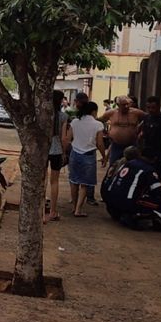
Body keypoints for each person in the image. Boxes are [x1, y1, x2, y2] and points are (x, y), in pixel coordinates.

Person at [102, 146, 161, 229]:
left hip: (110, 200)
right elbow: (158, 190)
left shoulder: (126, 164)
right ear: (154, 159)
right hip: (127, 203)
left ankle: (122, 213)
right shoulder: (148, 170)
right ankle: (135, 217)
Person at [65, 101, 106, 217]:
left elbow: (68, 139)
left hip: (75, 153)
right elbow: (100, 143)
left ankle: (74, 207)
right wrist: (103, 156)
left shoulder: (75, 122)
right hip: (88, 155)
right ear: (94, 111)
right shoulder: (98, 125)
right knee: (84, 184)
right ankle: (78, 209)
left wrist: (65, 152)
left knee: (74, 181)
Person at [100, 96, 146, 168]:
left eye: (127, 104)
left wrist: (141, 130)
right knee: (114, 166)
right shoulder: (111, 113)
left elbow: (148, 119)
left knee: (132, 166)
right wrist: (105, 132)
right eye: (124, 105)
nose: (126, 106)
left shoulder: (136, 112)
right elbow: (100, 121)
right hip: (116, 145)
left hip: (132, 144)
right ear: (118, 105)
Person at [44, 90, 68, 223]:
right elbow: (64, 138)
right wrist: (64, 152)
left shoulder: (44, 115)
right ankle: (53, 211)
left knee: (42, 180)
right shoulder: (63, 116)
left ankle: (41, 212)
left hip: (43, 150)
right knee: (54, 181)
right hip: (57, 150)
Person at [138, 96, 161, 180]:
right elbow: (142, 135)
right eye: (148, 107)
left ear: (159, 106)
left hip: (159, 155)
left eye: (153, 107)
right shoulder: (146, 118)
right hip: (145, 154)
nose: (150, 110)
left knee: (156, 177)